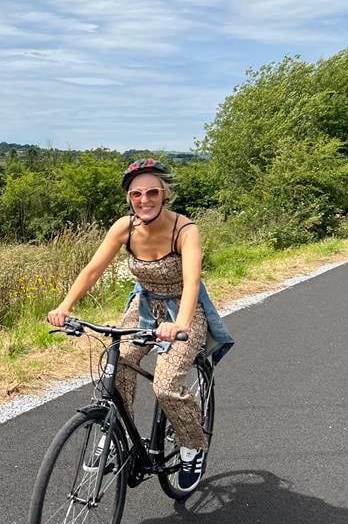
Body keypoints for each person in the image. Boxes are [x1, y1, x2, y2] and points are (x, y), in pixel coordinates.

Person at [48, 157, 233, 492]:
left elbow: (192, 283)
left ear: (164, 195)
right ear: (128, 197)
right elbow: (92, 270)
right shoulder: (124, 228)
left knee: (165, 386)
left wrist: (178, 324)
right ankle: (118, 439)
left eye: (152, 193)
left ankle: (192, 446)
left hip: (183, 310)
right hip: (144, 305)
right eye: (136, 194)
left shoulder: (184, 230)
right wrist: (64, 306)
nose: (144, 200)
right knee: (115, 365)